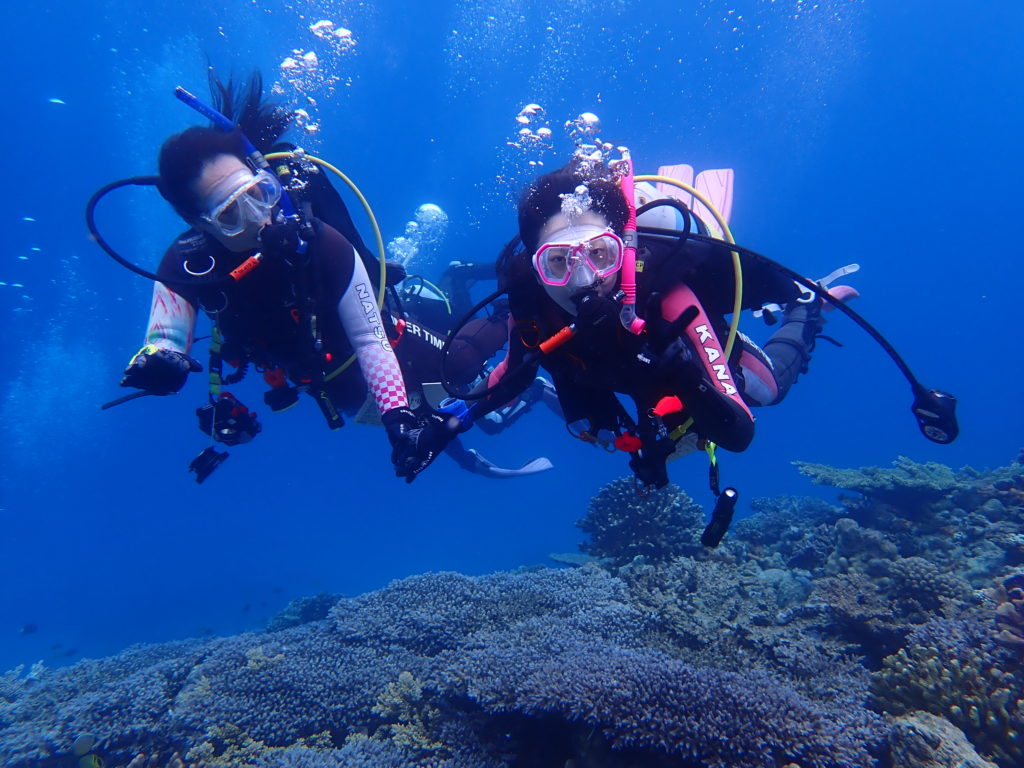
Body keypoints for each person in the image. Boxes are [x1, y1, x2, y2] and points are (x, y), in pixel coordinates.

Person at [450, 154, 857, 491]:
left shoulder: (668, 299)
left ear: (625, 252)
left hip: (687, 362)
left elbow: (739, 434)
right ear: (537, 269)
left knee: (767, 391)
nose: (584, 279)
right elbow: (511, 375)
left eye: (600, 253)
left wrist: (685, 375)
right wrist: (447, 423)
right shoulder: (533, 307)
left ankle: (807, 308)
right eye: (558, 261)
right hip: (624, 382)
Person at [117, 74, 450, 482]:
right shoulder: (188, 264)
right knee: (407, 415)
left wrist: (396, 413)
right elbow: (165, 337)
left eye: (260, 194)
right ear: (199, 224)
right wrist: (161, 361)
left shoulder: (322, 243)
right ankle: (453, 437)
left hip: (376, 336)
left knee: (462, 368)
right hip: (320, 374)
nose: (259, 217)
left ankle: (500, 315)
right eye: (230, 213)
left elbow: (369, 338)